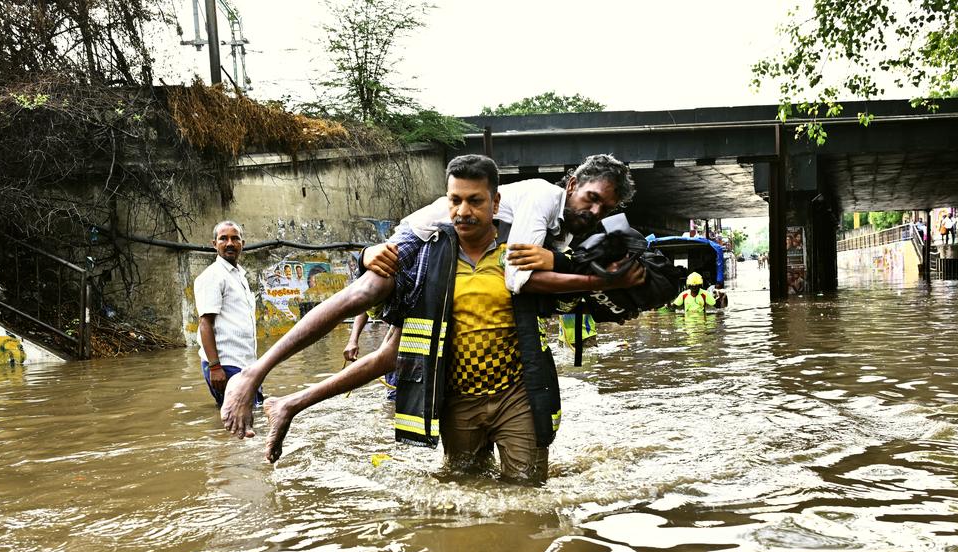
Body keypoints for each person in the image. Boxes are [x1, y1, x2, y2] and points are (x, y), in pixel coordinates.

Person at [222, 154, 640, 446]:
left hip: (449, 257)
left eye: (606, 206)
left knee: (391, 357)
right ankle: (254, 374)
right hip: (426, 237)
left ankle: (291, 404)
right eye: (592, 197)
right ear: (572, 185)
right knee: (366, 291)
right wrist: (597, 279)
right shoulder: (542, 198)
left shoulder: (564, 232)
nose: (596, 210)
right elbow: (519, 278)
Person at [194, 221, 261, 407]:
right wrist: (215, 367)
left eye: (235, 238)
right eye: (223, 238)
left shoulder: (239, 276)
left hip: (246, 365)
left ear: (243, 244)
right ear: (214, 244)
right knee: (238, 422)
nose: (230, 243)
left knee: (248, 419)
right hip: (226, 365)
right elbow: (205, 323)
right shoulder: (213, 276)